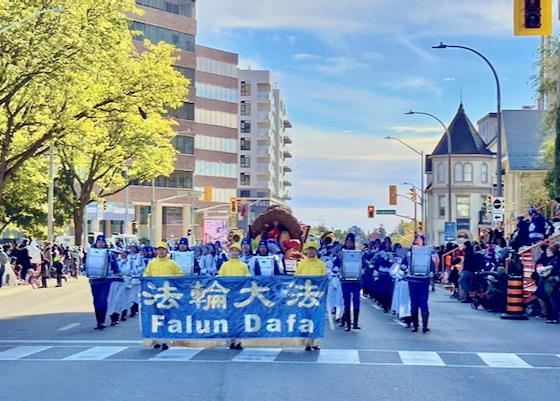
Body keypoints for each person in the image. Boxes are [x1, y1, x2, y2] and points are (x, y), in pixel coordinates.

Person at [144, 241, 183, 350]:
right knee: (155, 318)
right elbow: (146, 275)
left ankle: (166, 340)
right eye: (159, 249)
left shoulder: (172, 263)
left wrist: (171, 280)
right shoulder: (152, 263)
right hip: (154, 294)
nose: (161, 251)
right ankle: (156, 340)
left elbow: (179, 275)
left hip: (167, 295)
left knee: (167, 317)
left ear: (166, 251)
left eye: (163, 249)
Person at [217, 242, 249, 349]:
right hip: (228, 295)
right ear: (229, 252)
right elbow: (220, 278)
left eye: (236, 251)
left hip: (240, 295)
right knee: (228, 317)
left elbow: (247, 279)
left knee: (240, 317)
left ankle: (238, 340)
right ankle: (230, 340)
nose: (234, 253)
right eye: (232, 251)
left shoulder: (243, 265)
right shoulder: (225, 265)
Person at [296, 240, 326, 351]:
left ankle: (315, 342)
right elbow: (296, 278)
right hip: (304, 296)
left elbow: (324, 279)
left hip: (317, 296)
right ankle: (307, 343)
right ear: (306, 250)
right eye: (309, 249)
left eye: (313, 249)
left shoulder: (321, 264)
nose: (311, 251)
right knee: (305, 319)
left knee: (316, 319)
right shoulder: (301, 264)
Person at [84, 235, 119, 330]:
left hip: (106, 280)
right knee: (96, 301)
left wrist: (114, 272)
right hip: (94, 280)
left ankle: (102, 321)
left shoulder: (109, 254)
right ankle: (98, 321)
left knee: (102, 301)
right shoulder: (90, 253)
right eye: (99, 242)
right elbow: (86, 264)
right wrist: (85, 271)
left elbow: (115, 267)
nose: (100, 243)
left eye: (102, 242)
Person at [403, 235, 435, 333]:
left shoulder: (427, 253)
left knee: (423, 302)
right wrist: (405, 269)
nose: (419, 241)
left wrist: (431, 272)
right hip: (412, 281)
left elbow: (432, 266)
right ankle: (415, 325)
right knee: (414, 303)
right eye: (417, 240)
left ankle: (425, 325)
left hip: (423, 281)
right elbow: (403, 264)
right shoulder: (409, 253)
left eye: (421, 240)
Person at [336, 233, 363, 331]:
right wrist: (335, 268)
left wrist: (363, 269)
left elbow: (363, 264)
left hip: (356, 281)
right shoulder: (341, 253)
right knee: (346, 302)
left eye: (351, 242)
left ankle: (355, 323)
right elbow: (336, 263)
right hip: (345, 281)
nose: (349, 244)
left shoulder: (358, 253)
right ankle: (347, 324)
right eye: (347, 242)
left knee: (356, 301)